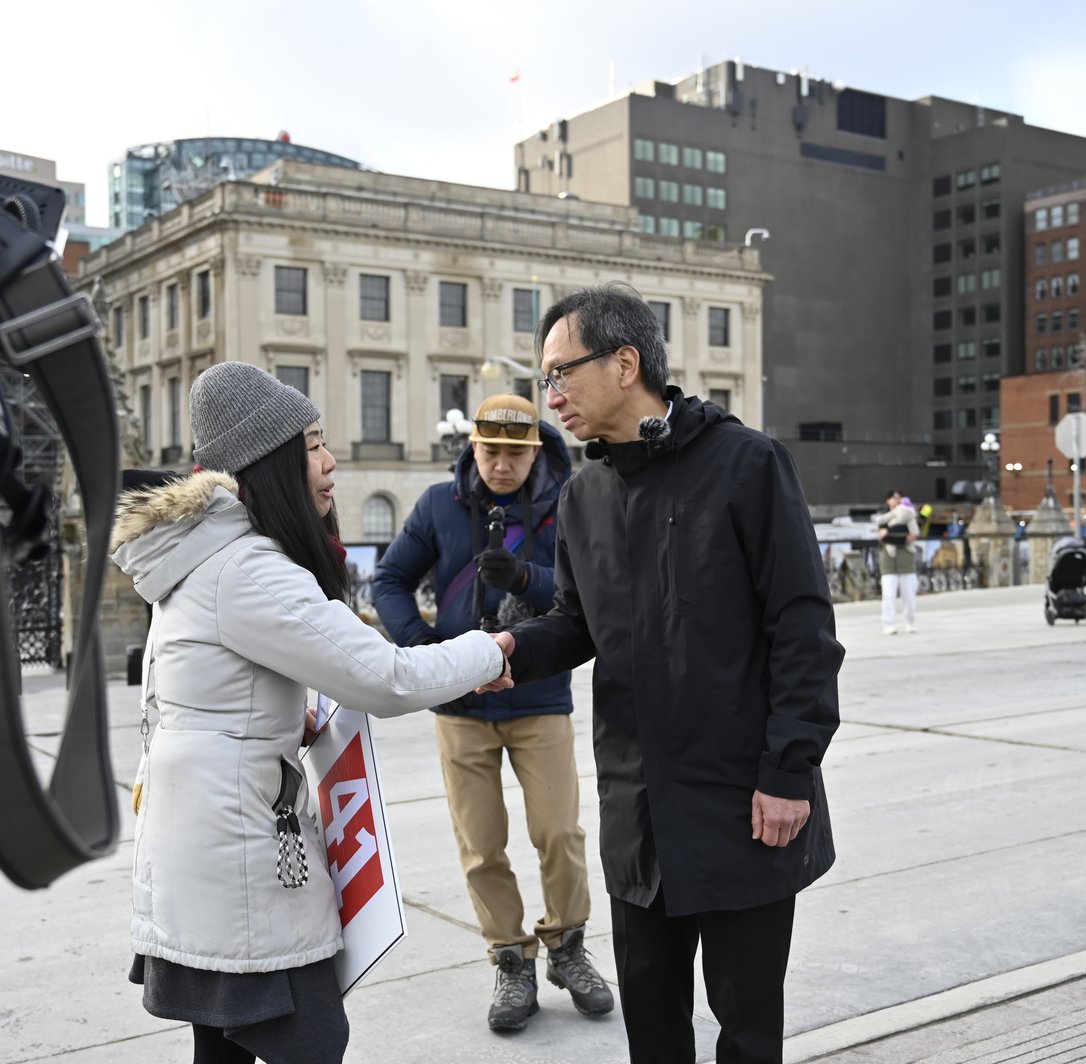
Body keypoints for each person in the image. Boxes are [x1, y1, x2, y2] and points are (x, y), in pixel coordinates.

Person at [109, 362, 512, 1064]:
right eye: (315, 446)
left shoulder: (204, 559)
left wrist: (278, 717)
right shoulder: (248, 569)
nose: (331, 464)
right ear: (269, 465)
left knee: (224, 1048)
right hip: (238, 858)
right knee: (314, 1041)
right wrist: (489, 650)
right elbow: (384, 678)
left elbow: (212, 697)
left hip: (199, 844)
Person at [491, 283, 843, 1064]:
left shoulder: (747, 465)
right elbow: (577, 625)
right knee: (652, 1033)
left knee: (748, 1033)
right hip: (638, 813)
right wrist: (511, 652)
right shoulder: (584, 498)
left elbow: (803, 628)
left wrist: (788, 772)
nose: (549, 396)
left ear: (625, 363)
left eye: (559, 373)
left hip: (744, 805)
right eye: (542, 378)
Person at [371, 393, 612, 1032]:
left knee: (559, 831)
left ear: (536, 450)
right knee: (481, 846)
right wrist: (421, 649)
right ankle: (511, 960)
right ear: (472, 447)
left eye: (515, 452)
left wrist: (525, 578)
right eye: (491, 451)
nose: (502, 465)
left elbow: (585, 593)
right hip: (459, 705)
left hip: (538, 694)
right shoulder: (438, 506)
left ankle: (567, 946)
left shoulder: (568, 502)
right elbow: (388, 580)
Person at [875, 490, 920, 635]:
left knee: (909, 594)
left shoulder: (908, 515)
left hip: (905, 557)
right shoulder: (884, 517)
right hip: (888, 558)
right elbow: (882, 535)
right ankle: (889, 624)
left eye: (899, 497)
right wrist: (897, 535)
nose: (897, 500)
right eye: (894, 498)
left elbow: (913, 535)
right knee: (888, 594)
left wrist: (893, 535)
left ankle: (910, 622)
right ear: (888, 500)